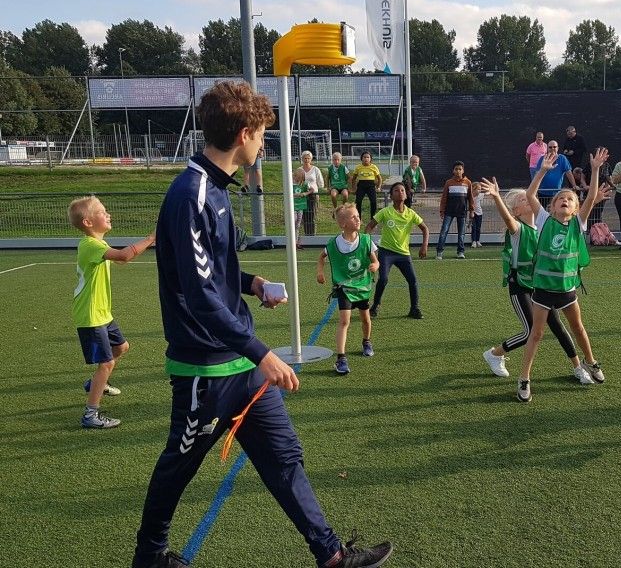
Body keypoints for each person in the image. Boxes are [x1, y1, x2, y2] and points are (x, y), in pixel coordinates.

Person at [132, 82, 392, 568]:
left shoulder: (217, 189)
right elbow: (200, 296)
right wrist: (263, 352)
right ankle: (149, 558)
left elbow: (218, 271)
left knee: (283, 456)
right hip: (205, 370)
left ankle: (331, 554)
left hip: (240, 364)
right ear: (245, 133)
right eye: (262, 137)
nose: (263, 146)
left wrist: (253, 285)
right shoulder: (191, 193)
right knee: (178, 466)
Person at [479, 178, 601, 385]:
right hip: (520, 285)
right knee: (531, 332)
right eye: (521, 199)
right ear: (516, 211)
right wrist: (498, 197)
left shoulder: (545, 227)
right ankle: (494, 354)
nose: (527, 200)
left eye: (526, 198)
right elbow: (508, 220)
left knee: (559, 327)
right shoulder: (518, 228)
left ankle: (578, 368)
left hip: (541, 286)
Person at [515, 147, 610, 403]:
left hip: (567, 289)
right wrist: (542, 171)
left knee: (578, 328)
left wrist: (596, 169)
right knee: (536, 334)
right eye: (560, 199)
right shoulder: (544, 219)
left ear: (575, 207)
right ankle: (524, 379)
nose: (565, 201)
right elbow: (530, 194)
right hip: (543, 290)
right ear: (553, 206)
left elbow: (591, 197)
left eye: (569, 200)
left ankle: (592, 362)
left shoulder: (578, 223)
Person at [68, 195, 155, 429]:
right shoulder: (90, 245)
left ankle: (98, 382)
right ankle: (90, 414)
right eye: (102, 212)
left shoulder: (98, 244)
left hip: (102, 313)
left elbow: (119, 258)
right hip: (90, 316)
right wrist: (151, 238)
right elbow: (124, 257)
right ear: (88, 222)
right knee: (106, 362)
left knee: (121, 347)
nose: (108, 215)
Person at [317, 203, 379, 375]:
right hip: (344, 287)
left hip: (362, 286)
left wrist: (375, 264)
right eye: (353, 217)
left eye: (358, 215)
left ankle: (366, 341)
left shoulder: (366, 240)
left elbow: (375, 260)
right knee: (344, 321)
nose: (358, 219)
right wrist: (320, 272)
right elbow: (321, 257)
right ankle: (341, 358)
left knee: (366, 319)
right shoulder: (334, 243)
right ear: (343, 223)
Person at [365, 182, 429, 319]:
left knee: (413, 280)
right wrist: (367, 244)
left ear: (406, 195)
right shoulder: (385, 212)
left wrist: (424, 246)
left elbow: (425, 228)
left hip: (404, 253)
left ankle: (414, 308)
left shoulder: (411, 213)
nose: (400, 192)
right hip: (386, 252)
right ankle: (375, 306)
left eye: (402, 190)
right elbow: (369, 227)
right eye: (396, 190)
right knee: (383, 279)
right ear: (391, 195)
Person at [435, 161, 474, 260]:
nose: (458, 171)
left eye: (460, 169)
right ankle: (439, 252)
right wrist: (442, 211)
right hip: (449, 211)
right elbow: (444, 197)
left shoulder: (468, 182)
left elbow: (471, 198)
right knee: (444, 231)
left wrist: (472, 210)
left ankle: (460, 252)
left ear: (463, 171)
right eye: (456, 169)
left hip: (462, 212)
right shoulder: (448, 182)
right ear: (453, 170)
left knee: (461, 233)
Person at [530, 140, 578, 210]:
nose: (552, 149)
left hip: (556, 193)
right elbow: (537, 174)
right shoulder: (542, 159)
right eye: (550, 147)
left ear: (558, 148)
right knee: (544, 214)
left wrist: (574, 185)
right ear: (547, 149)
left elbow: (569, 173)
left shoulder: (562, 158)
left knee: (556, 212)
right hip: (542, 193)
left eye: (554, 147)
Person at [350, 151, 382, 219]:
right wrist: (353, 188)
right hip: (361, 186)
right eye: (364, 157)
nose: (366, 159)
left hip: (371, 186)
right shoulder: (358, 167)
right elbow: (353, 179)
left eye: (368, 157)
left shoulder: (374, 167)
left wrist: (378, 187)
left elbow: (380, 179)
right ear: (361, 158)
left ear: (370, 159)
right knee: (358, 202)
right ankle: (359, 218)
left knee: (373, 202)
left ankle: (372, 218)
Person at [300, 150, 325, 236]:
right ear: (302, 159)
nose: (306, 160)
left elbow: (320, 182)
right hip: (302, 195)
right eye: (305, 158)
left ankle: (313, 234)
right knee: (304, 216)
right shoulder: (299, 170)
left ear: (311, 159)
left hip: (313, 195)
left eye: (308, 158)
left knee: (312, 215)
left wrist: (316, 188)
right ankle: (307, 234)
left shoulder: (316, 169)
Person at [292, 168, 310, 250]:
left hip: (300, 207)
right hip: (293, 207)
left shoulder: (305, 184)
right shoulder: (291, 184)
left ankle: (296, 242)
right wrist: (294, 195)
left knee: (298, 224)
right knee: (293, 222)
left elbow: (311, 190)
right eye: (295, 176)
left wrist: (305, 193)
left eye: (298, 177)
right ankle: (292, 241)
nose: (296, 178)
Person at [470, 181, 485, 248]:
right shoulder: (470, 196)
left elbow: (488, 193)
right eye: (478, 189)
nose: (479, 190)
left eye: (480, 189)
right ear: (473, 189)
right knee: (473, 227)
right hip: (472, 214)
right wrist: (471, 212)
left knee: (478, 228)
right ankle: (473, 241)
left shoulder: (480, 195)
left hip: (479, 213)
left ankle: (477, 241)